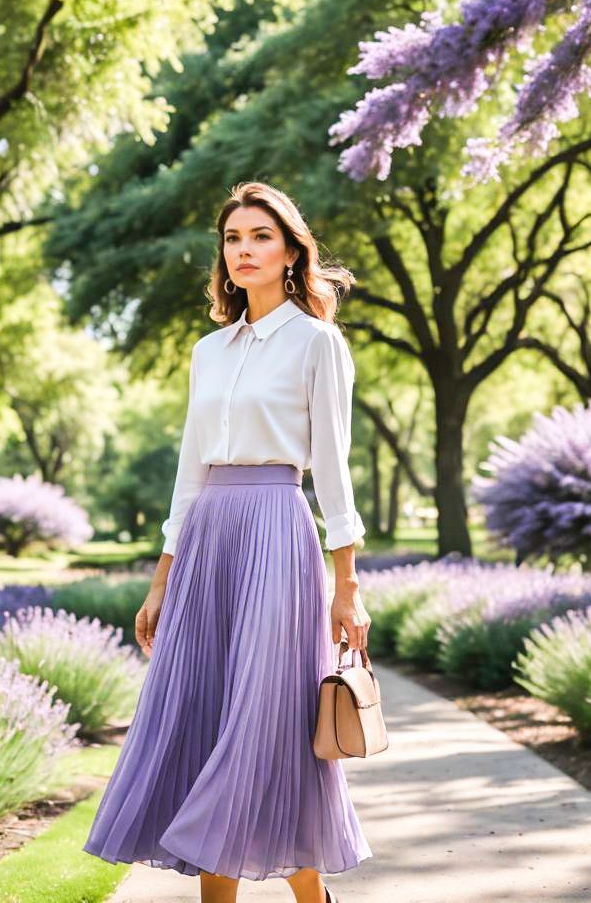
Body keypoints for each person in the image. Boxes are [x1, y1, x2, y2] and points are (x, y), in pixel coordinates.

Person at [83, 181, 374, 903]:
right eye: (232, 239)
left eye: (260, 237)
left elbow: (334, 473)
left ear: (290, 250)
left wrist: (349, 588)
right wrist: (161, 580)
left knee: (266, 726)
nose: (243, 251)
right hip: (208, 536)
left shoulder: (318, 342)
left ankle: (314, 897)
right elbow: (189, 473)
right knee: (212, 721)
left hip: (278, 529)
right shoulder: (208, 351)